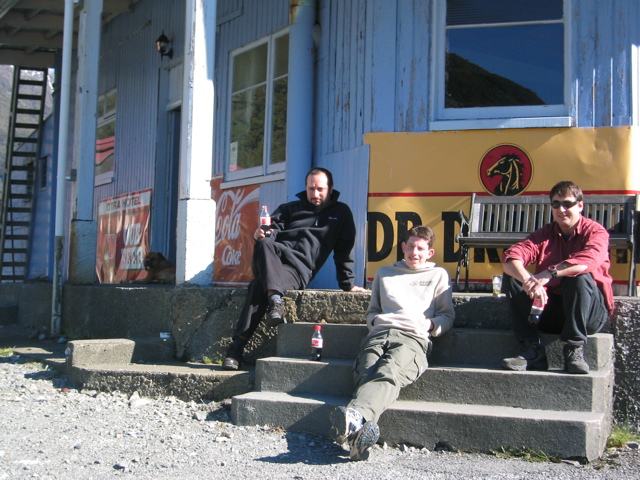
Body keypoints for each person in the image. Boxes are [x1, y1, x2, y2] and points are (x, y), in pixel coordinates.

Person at [330, 225, 454, 461]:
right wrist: (374, 320)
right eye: (410, 246)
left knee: (388, 371)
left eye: (420, 248)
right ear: (403, 247)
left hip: (412, 339)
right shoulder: (384, 273)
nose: (414, 252)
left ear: (430, 252)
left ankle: (355, 417)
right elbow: (372, 311)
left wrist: (426, 325)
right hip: (379, 334)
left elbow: (447, 317)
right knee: (366, 372)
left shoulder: (438, 276)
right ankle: (358, 437)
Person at [222, 167, 367, 370]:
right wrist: (259, 234)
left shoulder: (341, 213)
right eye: (311, 189)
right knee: (264, 244)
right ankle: (275, 301)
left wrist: (348, 284)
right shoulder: (290, 208)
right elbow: (269, 232)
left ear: (330, 188)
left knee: (257, 286)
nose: (315, 194)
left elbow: (344, 251)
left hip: (297, 270)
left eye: (320, 189)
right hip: (272, 259)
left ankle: (235, 350)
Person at [501, 180, 613, 374]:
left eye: (567, 204)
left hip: (589, 314)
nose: (561, 210)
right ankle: (532, 349)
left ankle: (574, 348)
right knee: (514, 276)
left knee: (577, 275)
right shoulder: (545, 233)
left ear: (580, 205)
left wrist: (549, 273)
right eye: (555, 204)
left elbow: (587, 261)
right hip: (550, 310)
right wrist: (529, 280)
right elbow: (511, 256)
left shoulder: (595, 231)